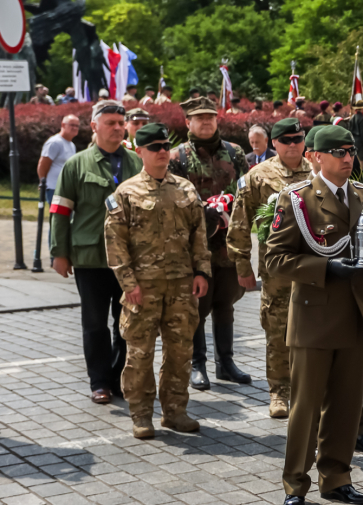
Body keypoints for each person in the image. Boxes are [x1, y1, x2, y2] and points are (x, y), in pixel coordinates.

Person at [265, 126, 363, 505]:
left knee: (347, 403)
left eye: (351, 151)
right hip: (315, 316)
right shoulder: (298, 201)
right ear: (315, 157)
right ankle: (295, 483)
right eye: (337, 152)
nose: (346, 158)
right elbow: (275, 259)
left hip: (356, 316)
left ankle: (337, 478)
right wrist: (326, 268)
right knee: (305, 407)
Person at [103, 123, 211, 439]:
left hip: (181, 286)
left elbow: (199, 236)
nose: (162, 151)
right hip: (143, 287)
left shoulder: (186, 189)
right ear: (140, 152)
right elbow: (115, 241)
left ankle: (175, 412)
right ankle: (140, 415)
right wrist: (128, 282)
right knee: (139, 354)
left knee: (180, 352)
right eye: (155, 147)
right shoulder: (125, 192)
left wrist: (202, 272)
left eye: (165, 145)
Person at [50, 100, 143, 404]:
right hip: (90, 257)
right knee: (94, 325)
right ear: (94, 126)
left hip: (129, 260)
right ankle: (99, 382)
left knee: (126, 324)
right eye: (111, 123)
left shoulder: (136, 163)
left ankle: (119, 378)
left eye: (121, 122)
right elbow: (61, 211)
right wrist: (59, 252)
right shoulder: (77, 164)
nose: (118, 127)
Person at [228, 118, 311, 419]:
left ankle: (311, 388)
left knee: (316, 328)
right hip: (277, 271)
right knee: (278, 330)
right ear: (274, 143)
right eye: (286, 139)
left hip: (318, 267)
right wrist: (242, 265)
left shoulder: (318, 170)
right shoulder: (258, 176)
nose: (293, 144)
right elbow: (239, 222)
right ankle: (279, 391)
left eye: (298, 138)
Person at [167, 97, 251, 391]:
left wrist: (232, 210)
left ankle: (225, 364)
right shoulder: (177, 157)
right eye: (199, 118)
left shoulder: (235, 152)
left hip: (229, 245)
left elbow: (246, 190)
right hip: (195, 246)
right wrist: (207, 211)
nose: (205, 122)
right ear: (188, 123)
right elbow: (175, 198)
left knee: (225, 303)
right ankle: (197, 364)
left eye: (210, 117)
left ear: (217, 121)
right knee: (198, 306)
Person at [37, 115, 79, 204]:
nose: (75, 128)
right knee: (58, 216)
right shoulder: (55, 142)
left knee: (67, 217)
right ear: (63, 125)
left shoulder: (71, 145)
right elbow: (43, 164)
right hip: (54, 188)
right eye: (72, 125)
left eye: (77, 126)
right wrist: (43, 183)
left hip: (67, 189)